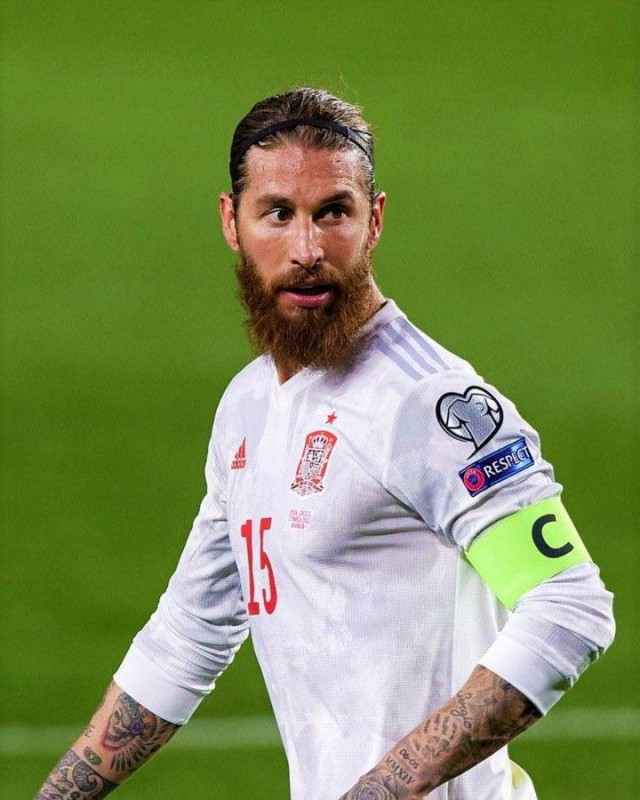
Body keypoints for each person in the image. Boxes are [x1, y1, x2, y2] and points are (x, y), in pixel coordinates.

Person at [37, 88, 615, 800]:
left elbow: (568, 604)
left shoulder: (426, 402)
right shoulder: (248, 407)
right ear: (231, 221)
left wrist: (383, 788)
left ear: (375, 220)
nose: (307, 250)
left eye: (333, 212)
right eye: (278, 213)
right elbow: (188, 636)